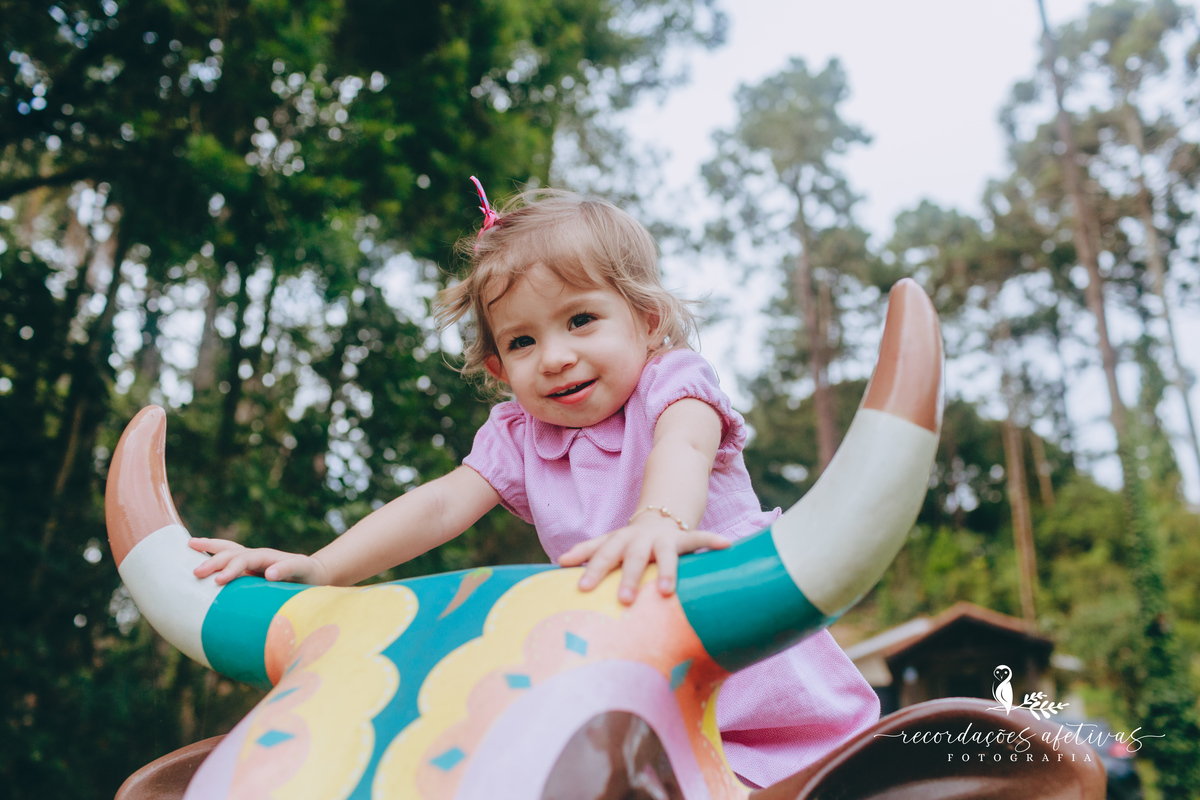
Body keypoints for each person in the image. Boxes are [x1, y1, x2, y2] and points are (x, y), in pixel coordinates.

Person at [188, 181, 880, 788]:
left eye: (580, 320)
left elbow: (686, 444)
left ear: (646, 321)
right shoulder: (519, 435)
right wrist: (323, 566)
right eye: (521, 341)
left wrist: (657, 521)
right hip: (619, 667)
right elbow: (439, 504)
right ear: (498, 367)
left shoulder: (672, 382)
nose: (553, 357)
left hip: (735, 647)